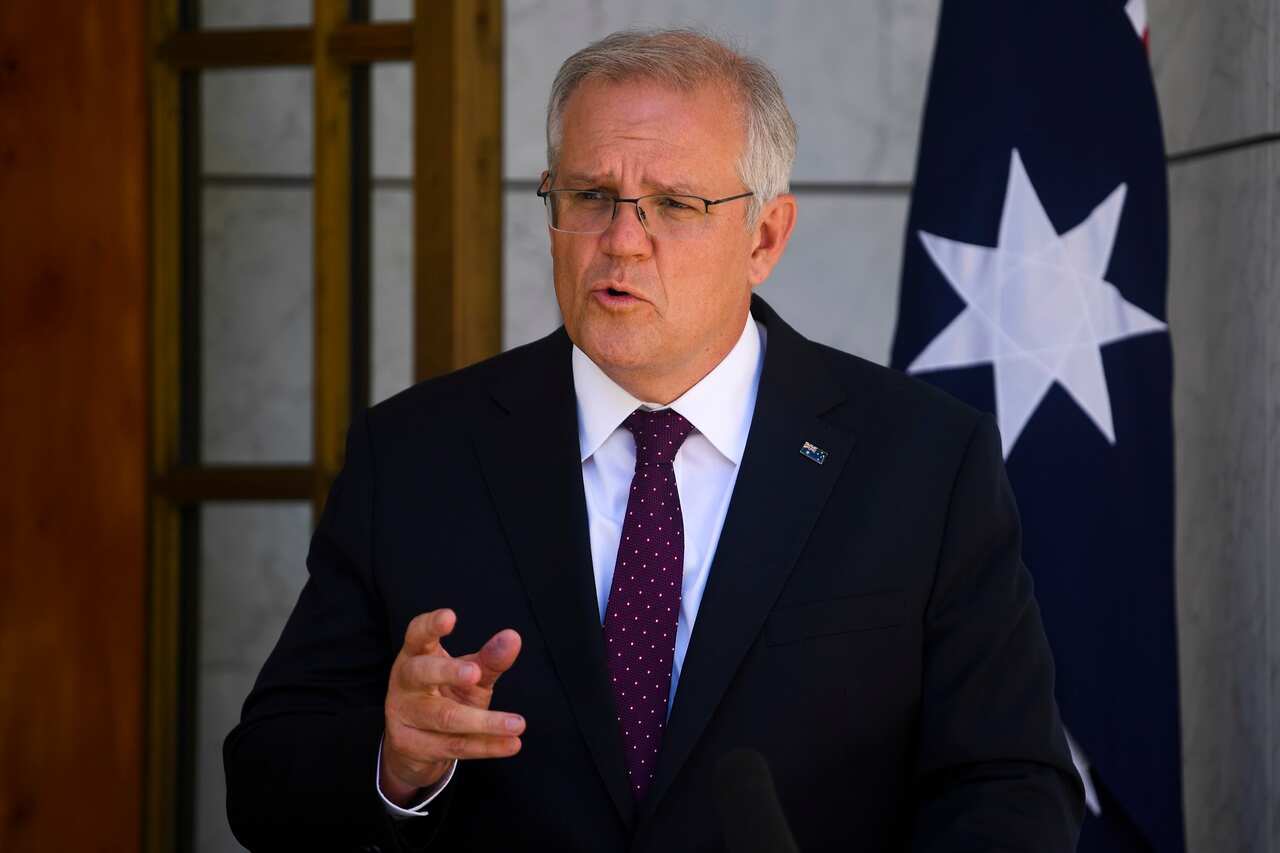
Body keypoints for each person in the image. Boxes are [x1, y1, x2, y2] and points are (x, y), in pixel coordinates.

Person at [224, 28, 1084, 852]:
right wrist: (395, 760)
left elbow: (1009, 786)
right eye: (591, 197)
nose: (622, 241)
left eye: (675, 204)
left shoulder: (924, 462)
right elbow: (264, 778)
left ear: (765, 237)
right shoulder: (414, 453)